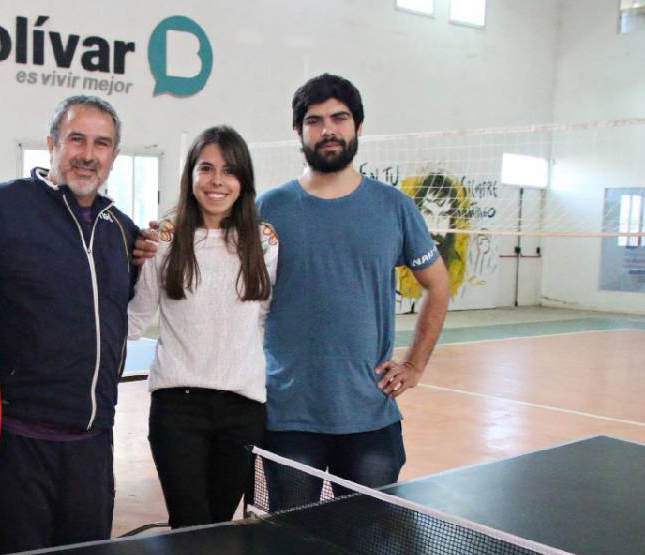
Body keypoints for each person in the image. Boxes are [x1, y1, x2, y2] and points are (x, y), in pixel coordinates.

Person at [0, 95, 138, 552]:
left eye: (102, 144)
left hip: (93, 444)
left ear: (113, 156)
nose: (87, 154)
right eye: (76, 139)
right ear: (52, 144)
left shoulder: (122, 231)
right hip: (19, 443)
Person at [258, 74, 450, 499]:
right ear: (298, 132)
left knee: (367, 545)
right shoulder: (268, 208)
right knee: (293, 540)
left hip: (369, 416)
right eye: (315, 120)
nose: (328, 129)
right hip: (289, 416)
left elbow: (437, 285)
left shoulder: (394, 207)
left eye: (339, 118)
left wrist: (415, 365)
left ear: (358, 127)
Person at [127, 126, 278, 528]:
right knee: (189, 526)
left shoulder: (264, 243)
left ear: (242, 180)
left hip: (243, 409)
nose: (217, 181)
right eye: (206, 168)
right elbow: (136, 318)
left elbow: (262, 315)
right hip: (178, 409)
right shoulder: (164, 239)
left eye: (229, 171)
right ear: (190, 175)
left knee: (218, 526)